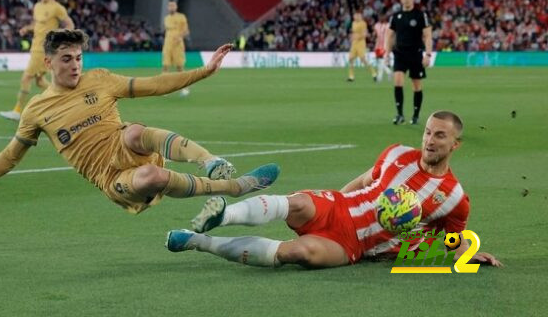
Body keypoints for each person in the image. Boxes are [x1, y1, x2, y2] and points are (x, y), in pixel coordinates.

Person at [0, 30, 280, 215]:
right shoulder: (37, 110)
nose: (75, 66)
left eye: (79, 58)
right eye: (66, 59)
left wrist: (203, 72)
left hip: (125, 145)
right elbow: (11, 156)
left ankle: (211, 161)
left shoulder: (99, 78)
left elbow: (155, 85)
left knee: (133, 132)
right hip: (111, 179)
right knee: (152, 176)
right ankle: (234, 187)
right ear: (48, 62)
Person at [166, 111, 501, 269]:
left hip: (353, 244)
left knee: (295, 254)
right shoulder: (398, 153)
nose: (429, 140)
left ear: (454, 144)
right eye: (427, 132)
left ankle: (198, 241)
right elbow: (366, 178)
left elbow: (452, 237)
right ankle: (223, 214)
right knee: (296, 203)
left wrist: (467, 253)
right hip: (339, 206)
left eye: (439, 136)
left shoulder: (455, 199)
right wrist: (336, 197)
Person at [0, 0, 75, 121]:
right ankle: (64, 100)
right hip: (35, 46)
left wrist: (58, 35)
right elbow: (37, 24)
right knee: (40, 81)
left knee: (26, 77)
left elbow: (70, 24)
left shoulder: (57, 8)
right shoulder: (37, 6)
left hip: (43, 49)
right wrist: (27, 29)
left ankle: (17, 111)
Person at [384, 0, 432, 125]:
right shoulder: (396, 16)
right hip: (399, 54)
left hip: (416, 54)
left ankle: (415, 115)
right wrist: (387, 53)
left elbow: (427, 35)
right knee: (398, 81)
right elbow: (390, 35)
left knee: (416, 85)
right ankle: (399, 114)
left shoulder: (420, 15)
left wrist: (428, 54)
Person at [162, 0, 190, 96]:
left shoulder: (181, 17)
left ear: (176, 7)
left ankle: (185, 88)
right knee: (165, 66)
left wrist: (180, 37)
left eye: (173, 5)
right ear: (167, 7)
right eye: (170, 5)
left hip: (178, 45)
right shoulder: (166, 18)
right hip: (167, 44)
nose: (171, 7)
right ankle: (164, 89)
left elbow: (186, 31)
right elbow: (167, 31)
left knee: (179, 67)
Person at [347, 11, 377, 82]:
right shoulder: (353, 23)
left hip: (361, 43)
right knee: (351, 59)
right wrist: (352, 37)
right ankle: (351, 77)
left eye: (357, 15)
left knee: (363, 59)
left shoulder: (363, 23)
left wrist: (357, 37)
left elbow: (365, 34)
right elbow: (354, 32)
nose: (355, 16)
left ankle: (374, 73)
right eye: (354, 15)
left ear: (360, 16)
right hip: (354, 43)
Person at [373, 14, 392, 82]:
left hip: (385, 46)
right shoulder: (376, 25)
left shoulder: (388, 25)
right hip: (378, 46)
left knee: (382, 62)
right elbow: (375, 35)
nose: (381, 18)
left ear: (385, 17)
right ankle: (389, 72)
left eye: (382, 16)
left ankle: (380, 77)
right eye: (380, 16)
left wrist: (390, 46)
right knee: (379, 62)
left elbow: (391, 36)